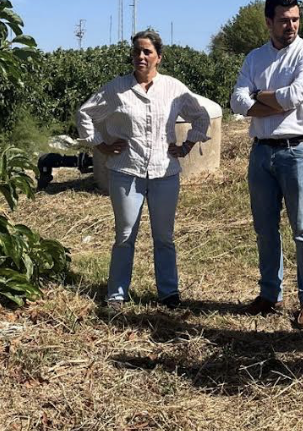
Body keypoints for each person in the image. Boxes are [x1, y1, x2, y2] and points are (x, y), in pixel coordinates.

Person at [76, 29, 210, 311]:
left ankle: (169, 293)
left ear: (158, 57)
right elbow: (85, 113)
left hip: (165, 172)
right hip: (127, 170)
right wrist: (100, 145)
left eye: (147, 51)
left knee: (164, 236)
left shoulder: (174, 88)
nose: (140, 56)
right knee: (125, 235)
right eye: (137, 51)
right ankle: (117, 294)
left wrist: (186, 146)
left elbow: (200, 115)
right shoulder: (116, 89)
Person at [230, 0, 303, 328]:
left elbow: (295, 97)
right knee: (265, 228)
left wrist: (258, 98)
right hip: (262, 152)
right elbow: (236, 101)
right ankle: (270, 293)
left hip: (298, 150)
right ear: (269, 21)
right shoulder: (255, 58)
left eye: (295, 19)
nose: (291, 25)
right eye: (284, 20)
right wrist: (267, 101)